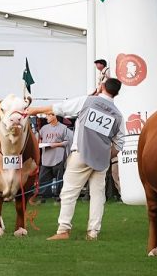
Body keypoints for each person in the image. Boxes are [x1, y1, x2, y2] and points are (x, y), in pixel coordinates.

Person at [28, 78, 126, 241]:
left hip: (81, 153)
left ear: (102, 87)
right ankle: (93, 232)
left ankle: (63, 230)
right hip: (101, 160)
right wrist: (105, 155)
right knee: (98, 195)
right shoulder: (118, 115)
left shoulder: (87, 101)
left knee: (69, 192)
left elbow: (60, 108)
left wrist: (33, 111)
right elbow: (120, 143)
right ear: (117, 93)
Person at [38, 112, 69, 202]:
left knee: (60, 177)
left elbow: (66, 142)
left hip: (58, 157)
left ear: (54, 116)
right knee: (43, 177)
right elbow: (39, 138)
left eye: (48, 115)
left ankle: (58, 195)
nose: (46, 117)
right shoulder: (44, 128)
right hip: (46, 158)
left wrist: (55, 145)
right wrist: (41, 144)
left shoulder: (63, 128)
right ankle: (44, 196)